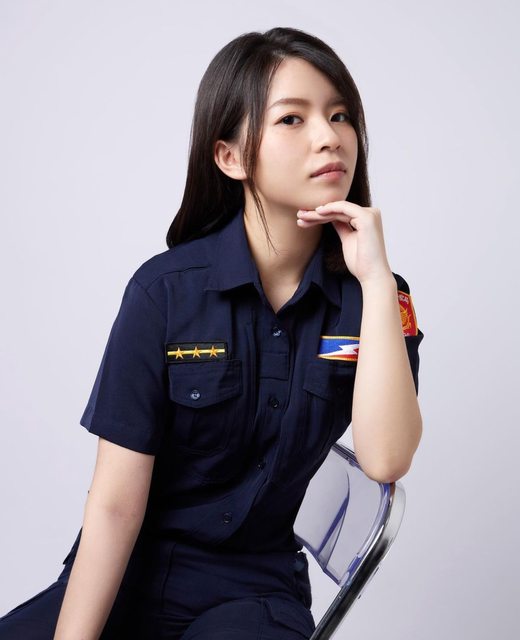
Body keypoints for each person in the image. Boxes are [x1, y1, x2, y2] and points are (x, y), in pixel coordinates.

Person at [0, 26, 424, 640]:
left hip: (255, 595)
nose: (329, 136)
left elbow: (386, 459)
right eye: (292, 119)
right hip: (129, 574)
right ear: (230, 157)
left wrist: (377, 281)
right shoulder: (164, 292)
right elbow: (115, 506)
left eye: (340, 116)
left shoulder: (377, 297)